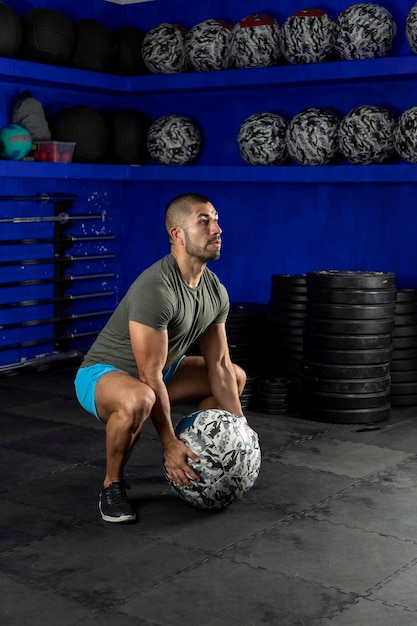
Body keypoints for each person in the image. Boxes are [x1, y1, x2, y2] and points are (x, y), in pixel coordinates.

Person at [74, 192, 251, 523]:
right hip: (103, 375)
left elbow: (220, 365)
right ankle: (112, 483)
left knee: (235, 377)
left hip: (159, 374)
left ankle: (199, 457)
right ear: (177, 235)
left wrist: (240, 427)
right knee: (140, 398)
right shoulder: (156, 288)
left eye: (216, 219)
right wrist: (168, 443)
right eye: (204, 221)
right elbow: (148, 375)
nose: (217, 228)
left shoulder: (215, 291)